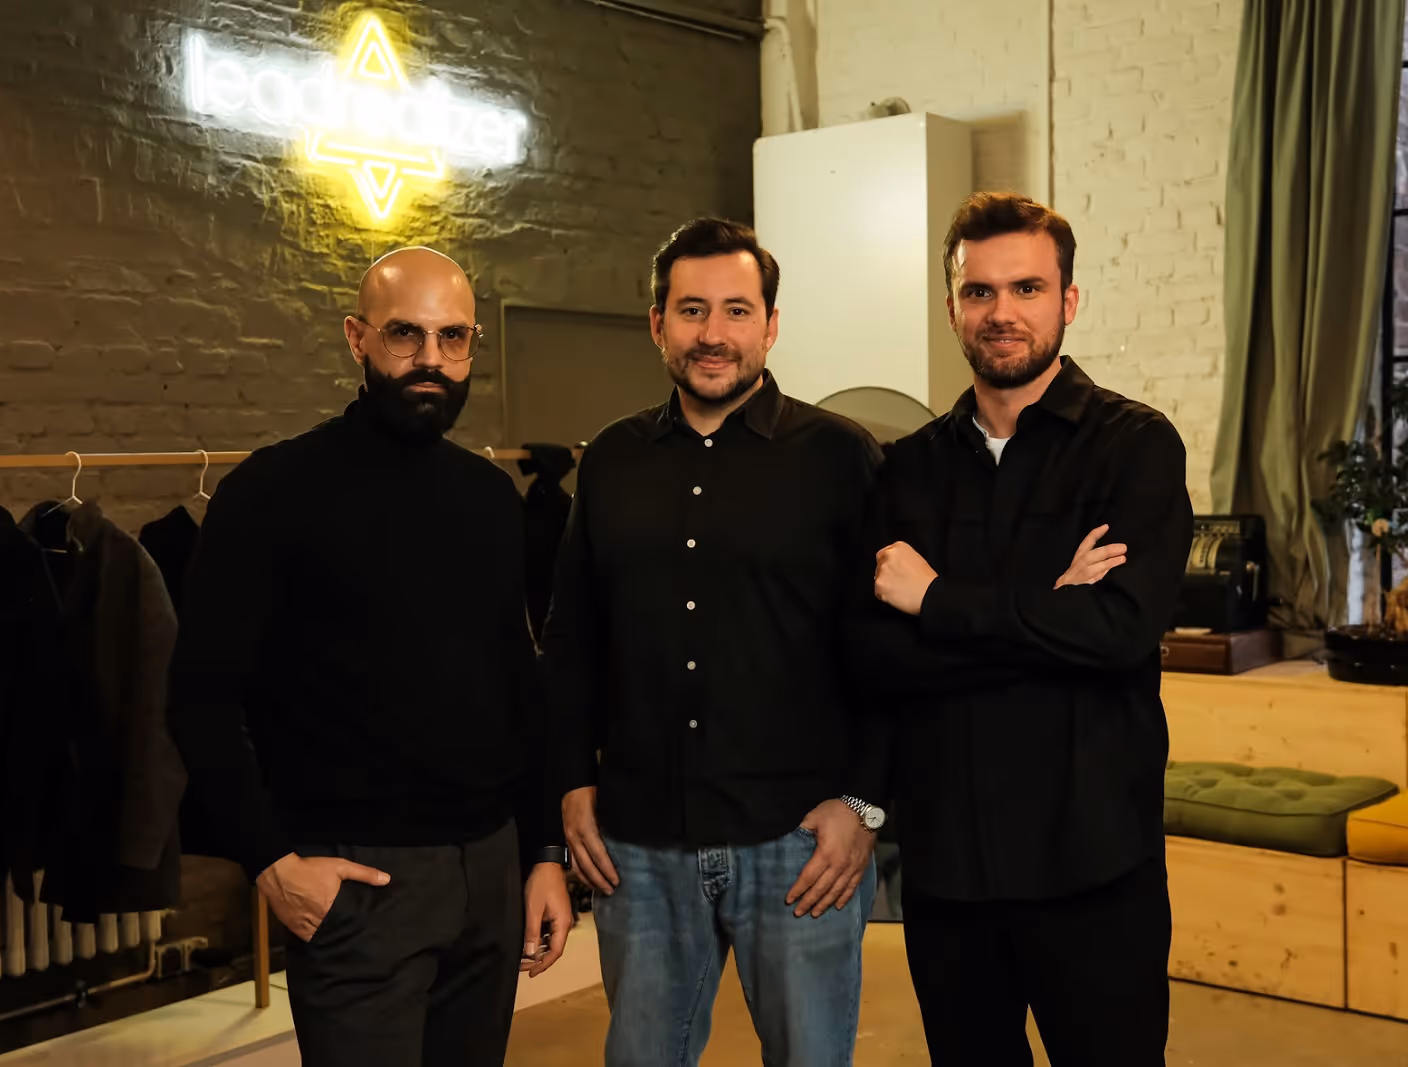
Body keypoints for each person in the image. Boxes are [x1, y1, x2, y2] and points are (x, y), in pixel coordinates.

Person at [167, 247, 572, 1067]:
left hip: (489, 871)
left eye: (452, 338)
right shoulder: (272, 491)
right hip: (358, 880)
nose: (431, 360)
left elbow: (519, 691)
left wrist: (542, 855)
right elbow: (199, 697)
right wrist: (271, 862)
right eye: (405, 334)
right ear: (356, 337)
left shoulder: (493, 499)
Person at [851, 192, 1192, 1066]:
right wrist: (1048, 606)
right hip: (949, 874)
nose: (1002, 313)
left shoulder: (1135, 447)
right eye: (979, 292)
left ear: (1068, 301)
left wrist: (937, 603)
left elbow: (1120, 630)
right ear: (954, 305)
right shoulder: (907, 469)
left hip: (1094, 869)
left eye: (1028, 289)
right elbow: (874, 656)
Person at [542, 218, 888, 1067]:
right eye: (691, 309)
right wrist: (569, 785)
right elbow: (573, 639)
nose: (713, 333)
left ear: (771, 325)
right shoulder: (614, 460)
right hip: (641, 849)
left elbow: (889, 652)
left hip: (801, 848)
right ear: (657, 324)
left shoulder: (843, 458)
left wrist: (867, 807)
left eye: (737, 310)